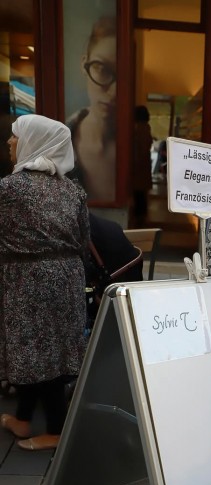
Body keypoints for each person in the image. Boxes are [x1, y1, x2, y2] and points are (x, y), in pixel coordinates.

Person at [0, 114, 89, 451]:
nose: (10, 141)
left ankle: (56, 430)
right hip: (67, 277)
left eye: (16, 136)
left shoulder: (9, 189)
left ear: (34, 142)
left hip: (26, 280)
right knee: (52, 350)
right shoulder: (73, 191)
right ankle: (23, 419)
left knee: (33, 351)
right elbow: (83, 239)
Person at [67, 16, 116, 202]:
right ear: (84, 64)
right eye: (102, 69)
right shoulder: (57, 146)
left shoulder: (130, 149)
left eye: (124, 76)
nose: (113, 92)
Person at [132, 105, 153, 224]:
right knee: (141, 193)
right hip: (143, 165)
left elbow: (142, 148)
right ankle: (141, 216)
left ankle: (140, 217)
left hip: (139, 165)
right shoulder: (145, 127)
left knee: (139, 193)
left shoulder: (140, 128)